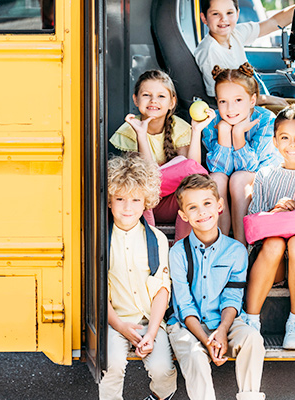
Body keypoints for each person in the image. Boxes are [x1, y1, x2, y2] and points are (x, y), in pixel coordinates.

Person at [167, 174, 266, 400]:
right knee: (194, 356)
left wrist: (222, 331)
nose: (202, 212)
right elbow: (183, 304)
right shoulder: (178, 252)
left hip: (223, 321)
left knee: (252, 339)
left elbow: (232, 297)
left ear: (219, 206)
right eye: (192, 207)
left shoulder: (236, 251)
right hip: (187, 324)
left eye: (207, 203)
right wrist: (206, 340)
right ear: (183, 215)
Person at [100, 154, 177, 400]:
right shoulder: (100, 241)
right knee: (112, 365)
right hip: (115, 321)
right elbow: (98, 293)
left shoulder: (156, 239)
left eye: (135, 199)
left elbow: (162, 291)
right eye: (120, 199)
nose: (127, 207)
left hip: (149, 321)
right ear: (109, 202)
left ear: (146, 202)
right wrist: (121, 326)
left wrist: (151, 334)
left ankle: (159, 396)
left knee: (162, 369)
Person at [244, 104, 295, 350]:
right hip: (271, 261)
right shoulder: (266, 174)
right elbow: (253, 221)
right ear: (275, 142)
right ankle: (251, 321)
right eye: (285, 138)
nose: (293, 145)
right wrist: (276, 211)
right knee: (275, 242)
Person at [110, 70, 214, 241]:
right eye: (146, 95)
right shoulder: (130, 128)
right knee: (140, 188)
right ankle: (151, 246)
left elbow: (194, 175)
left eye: (161, 96)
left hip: (173, 204)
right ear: (136, 99)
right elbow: (145, 176)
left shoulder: (179, 127)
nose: (153, 101)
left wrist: (196, 131)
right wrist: (141, 135)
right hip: (144, 202)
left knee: (192, 187)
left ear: (172, 102)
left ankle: (182, 249)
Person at [202, 63, 282, 245]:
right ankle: (220, 246)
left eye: (238, 100)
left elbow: (251, 168)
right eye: (223, 101)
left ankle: (241, 246)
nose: (230, 109)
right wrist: (224, 133)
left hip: (261, 178)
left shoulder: (266, 120)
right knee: (215, 179)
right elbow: (219, 168)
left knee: (239, 179)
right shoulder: (213, 121)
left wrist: (238, 135)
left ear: (252, 100)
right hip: (231, 178)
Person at [194, 0, 295, 106]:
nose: (224, 19)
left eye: (229, 13)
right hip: (239, 109)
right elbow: (224, 99)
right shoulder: (208, 52)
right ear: (204, 18)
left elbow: (273, 22)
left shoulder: (235, 34)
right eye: (216, 14)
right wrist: (265, 99)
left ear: (237, 14)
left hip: (251, 96)